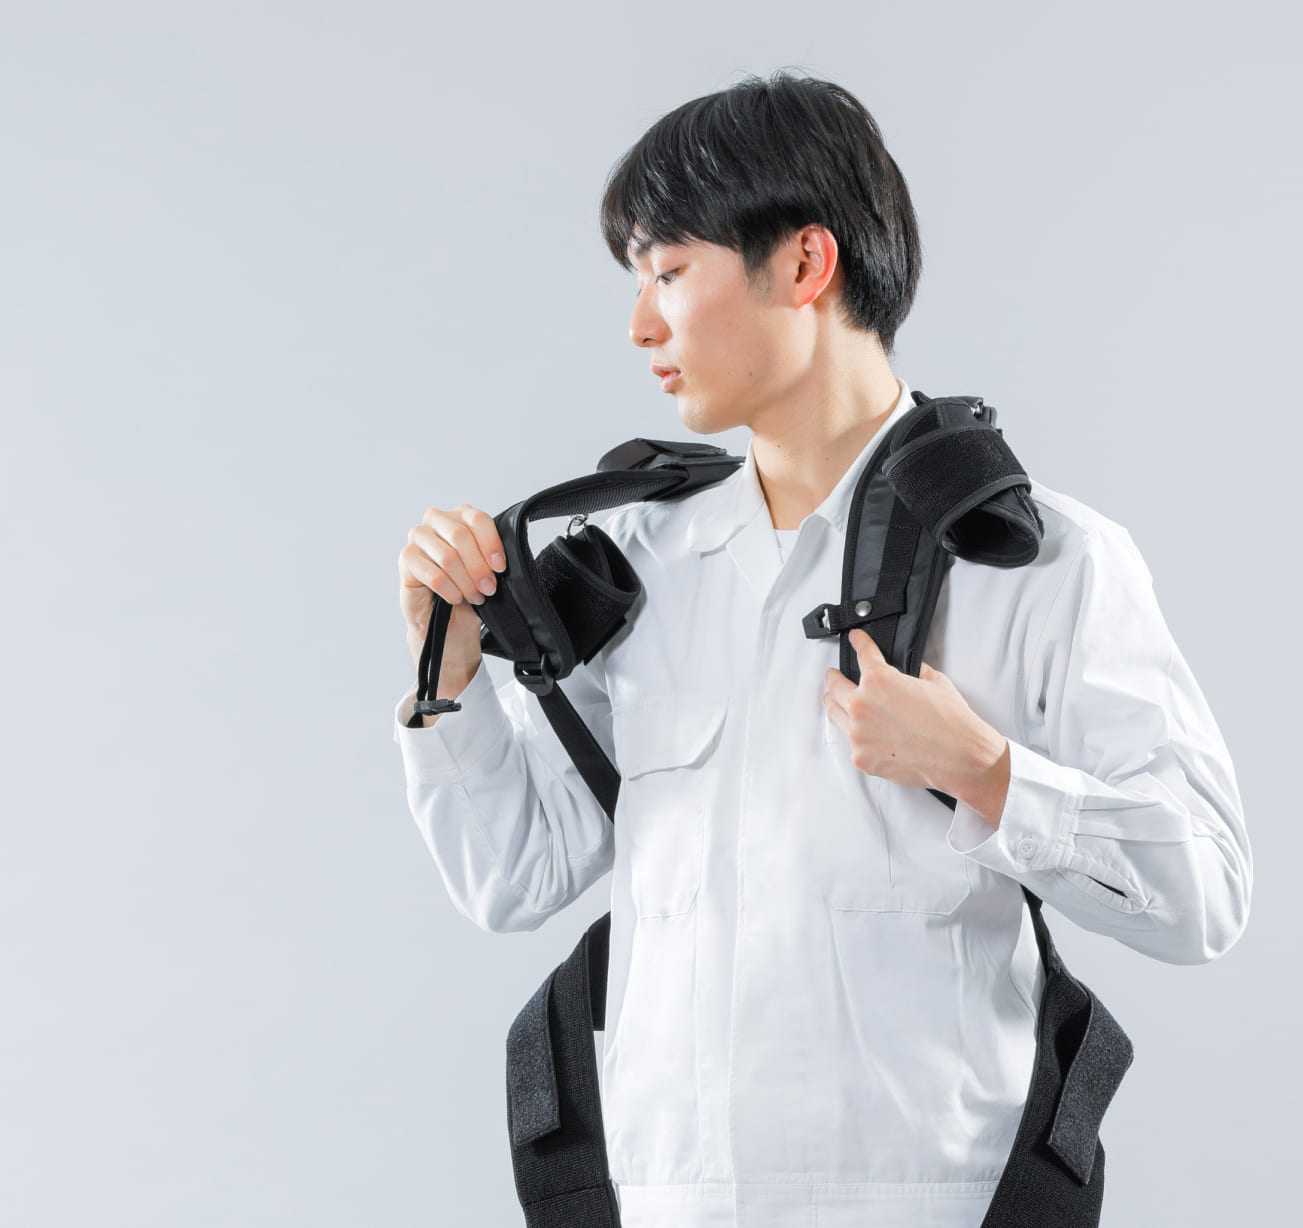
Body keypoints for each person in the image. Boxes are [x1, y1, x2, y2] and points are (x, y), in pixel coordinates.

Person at [392, 69, 1252, 1228]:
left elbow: (1204, 892)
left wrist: (988, 771)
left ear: (805, 264)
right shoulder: (639, 561)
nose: (640, 324)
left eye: (668, 271)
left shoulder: (1040, 562)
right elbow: (518, 875)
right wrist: (448, 683)